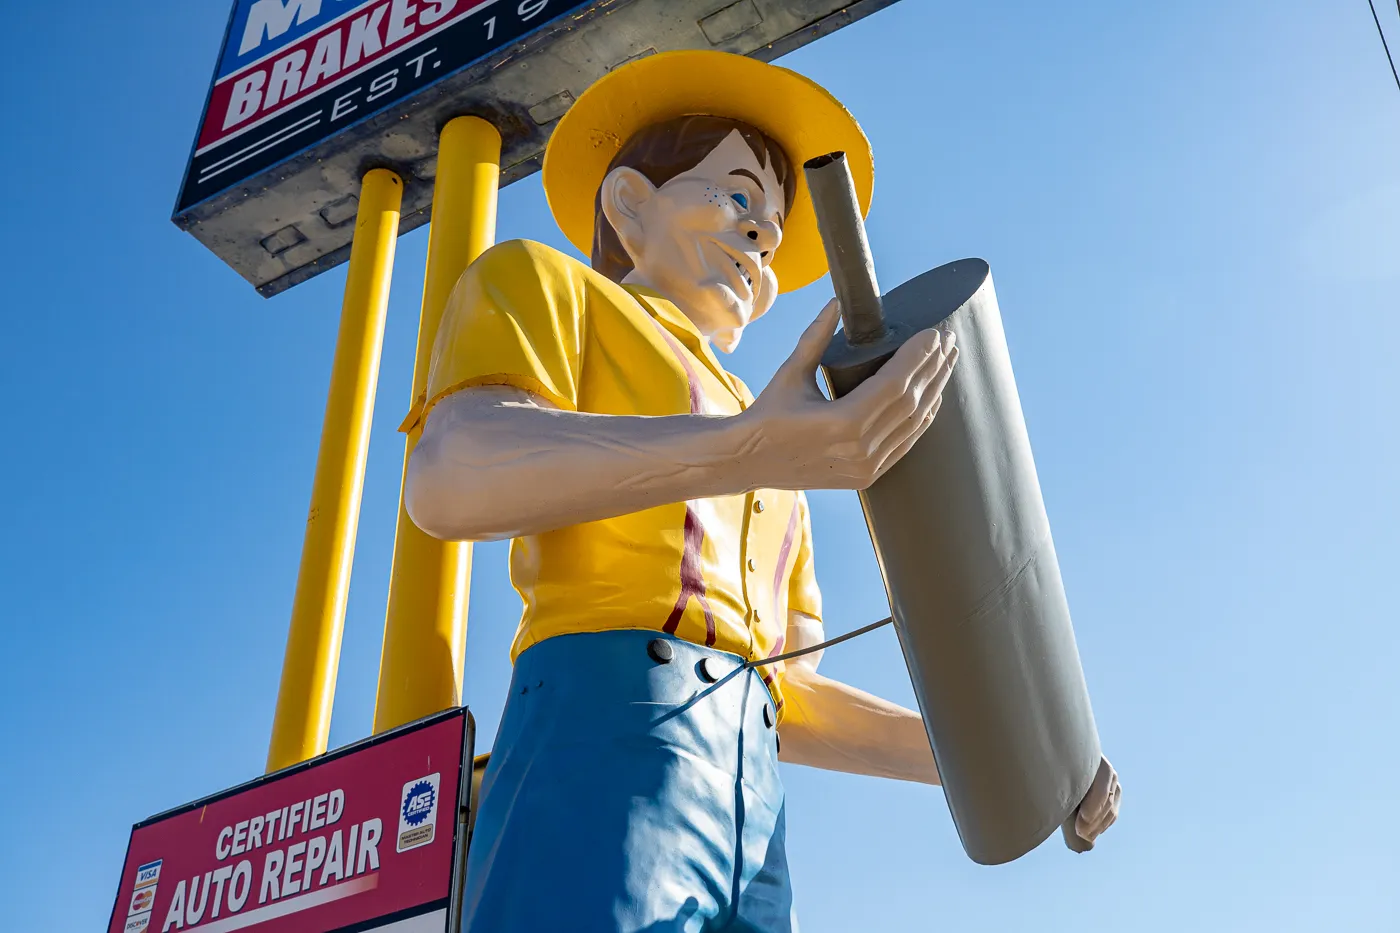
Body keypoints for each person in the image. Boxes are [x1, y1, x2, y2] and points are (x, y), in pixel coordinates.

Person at [400, 50, 1121, 933]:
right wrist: (746, 447)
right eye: (737, 197)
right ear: (630, 203)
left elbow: (782, 695)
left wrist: (1018, 756)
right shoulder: (549, 287)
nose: (762, 238)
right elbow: (452, 472)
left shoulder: (774, 433)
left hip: (752, 811)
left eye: (773, 228)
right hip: (596, 736)